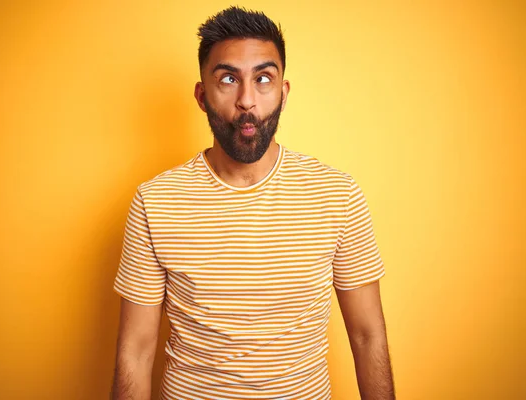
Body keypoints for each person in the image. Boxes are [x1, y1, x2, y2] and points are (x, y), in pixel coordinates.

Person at [111, 6, 395, 400]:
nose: (247, 100)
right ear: (201, 95)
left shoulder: (337, 195)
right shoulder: (155, 201)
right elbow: (136, 353)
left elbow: (367, 337)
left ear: (283, 91)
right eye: (228, 78)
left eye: (263, 79)